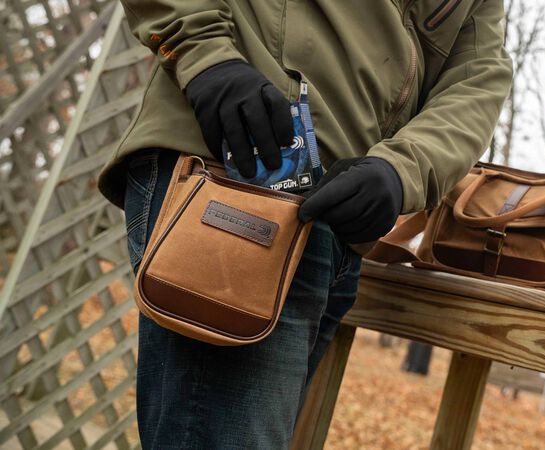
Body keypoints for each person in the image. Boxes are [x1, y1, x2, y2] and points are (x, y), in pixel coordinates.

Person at [98, 1, 512, 448]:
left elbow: (478, 79)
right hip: (229, 178)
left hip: (337, 227)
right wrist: (206, 55)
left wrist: (402, 170)